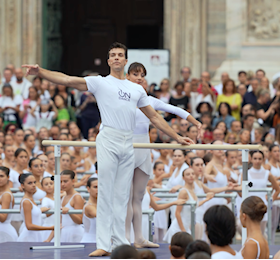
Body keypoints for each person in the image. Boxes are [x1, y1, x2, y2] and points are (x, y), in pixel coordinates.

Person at [23, 42, 193, 256]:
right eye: (112, 55)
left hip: (127, 141)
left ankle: (121, 242)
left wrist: (176, 137)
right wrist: (41, 73)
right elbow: (68, 80)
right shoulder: (100, 82)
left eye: (120, 55)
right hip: (109, 138)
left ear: (125, 60)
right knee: (105, 192)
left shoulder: (136, 89)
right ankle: (103, 244)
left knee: (123, 195)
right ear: (108, 60)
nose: (116, 58)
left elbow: (154, 117)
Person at [125, 62, 201, 248]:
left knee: (139, 196)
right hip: (126, 145)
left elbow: (175, 109)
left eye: (142, 74)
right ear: (127, 77)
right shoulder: (122, 97)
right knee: (125, 196)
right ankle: (125, 238)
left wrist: (196, 122)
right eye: (135, 74)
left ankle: (139, 238)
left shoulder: (149, 100)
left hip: (143, 147)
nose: (140, 77)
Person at [164, 168, 214, 242]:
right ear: (183, 178)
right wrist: (183, 230)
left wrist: (206, 199)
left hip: (187, 226)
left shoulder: (192, 191)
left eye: (192, 174)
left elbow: (195, 205)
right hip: (179, 227)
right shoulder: (184, 192)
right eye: (188, 174)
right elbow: (177, 212)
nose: (191, 176)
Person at [17, 174, 54, 242]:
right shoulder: (26, 202)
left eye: (34, 182)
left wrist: (40, 210)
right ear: (22, 185)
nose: (33, 185)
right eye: (30, 183)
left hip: (34, 235)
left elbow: (32, 214)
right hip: (28, 237)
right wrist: (50, 228)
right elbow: (29, 226)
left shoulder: (30, 200)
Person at [0, 166, 19, 244]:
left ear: (8, 177)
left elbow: (3, 218)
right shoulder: (1, 193)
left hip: (4, 233)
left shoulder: (6, 195)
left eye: (2, 176)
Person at [60, 170, 85, 242]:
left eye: (65, 181)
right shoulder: (63, 196)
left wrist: (69, 212)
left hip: (75, 233)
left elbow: (80, 220)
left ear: (73, 181)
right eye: (61, 182)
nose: (62, 184)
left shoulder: (77, 197)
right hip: (64, 232)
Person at [81, 177, 98, 243]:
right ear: (88, 189)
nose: (98, 189)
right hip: (89, 241)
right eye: (95, 187)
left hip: (100, 241)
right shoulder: (89, 207)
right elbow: (103, 217)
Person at [40, 176, 55, 242]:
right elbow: (43, 215)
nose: (49, 186)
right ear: (42, 188)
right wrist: (53, 211)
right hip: (49, 227)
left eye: (51, 183)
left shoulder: (57, 197)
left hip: (56, 226)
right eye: (46, 184)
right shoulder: (45, 200)